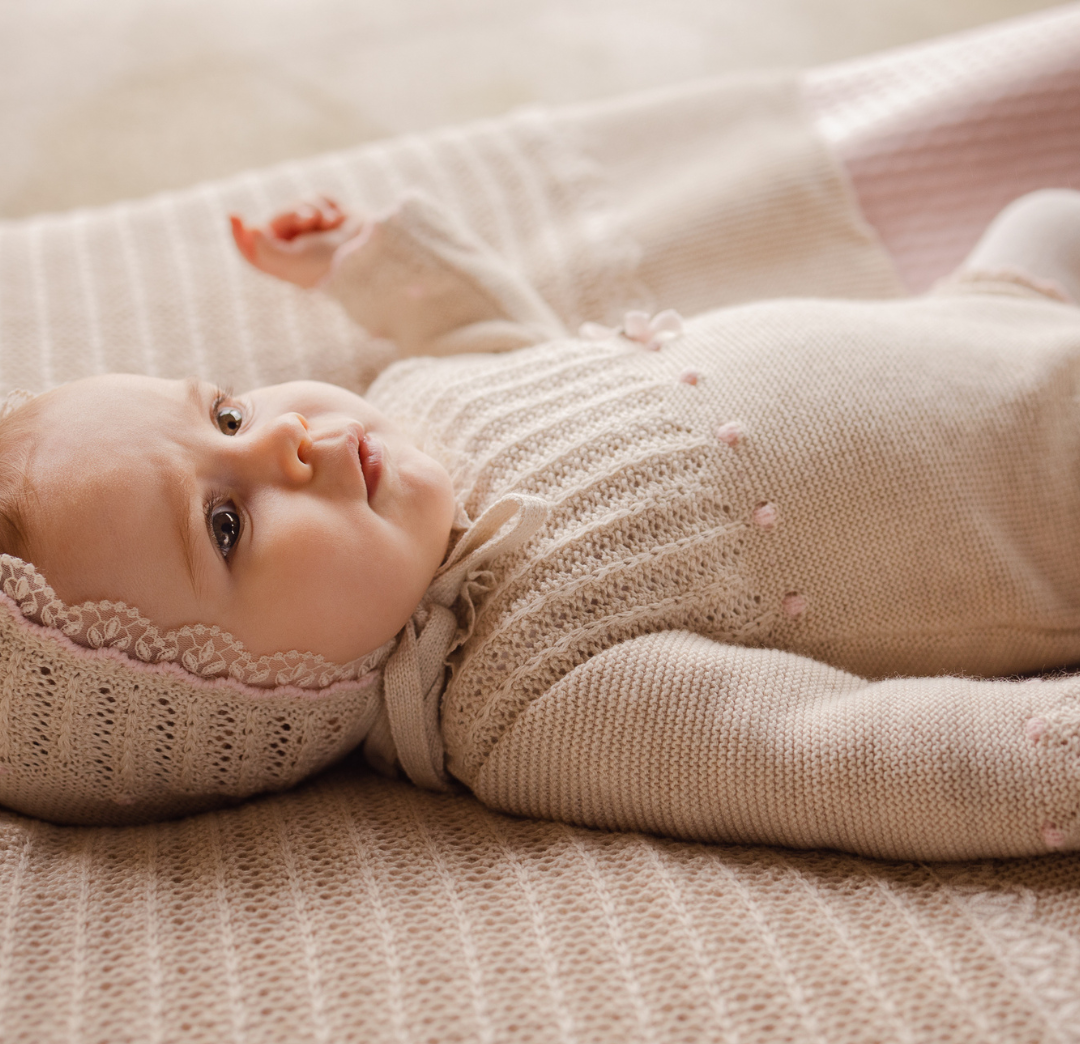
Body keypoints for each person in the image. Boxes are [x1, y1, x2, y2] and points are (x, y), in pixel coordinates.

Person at [2, 186, 1080, 861]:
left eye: (228, 413)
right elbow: (828, 752)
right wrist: (1048, 760)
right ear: (263, 698)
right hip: (1046, 494)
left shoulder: (413, 410)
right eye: (229, 525)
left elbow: (488, 330)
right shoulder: (533, 703)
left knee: (1047, 215)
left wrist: (369, 259)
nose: (284, 438)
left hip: (979, 315)